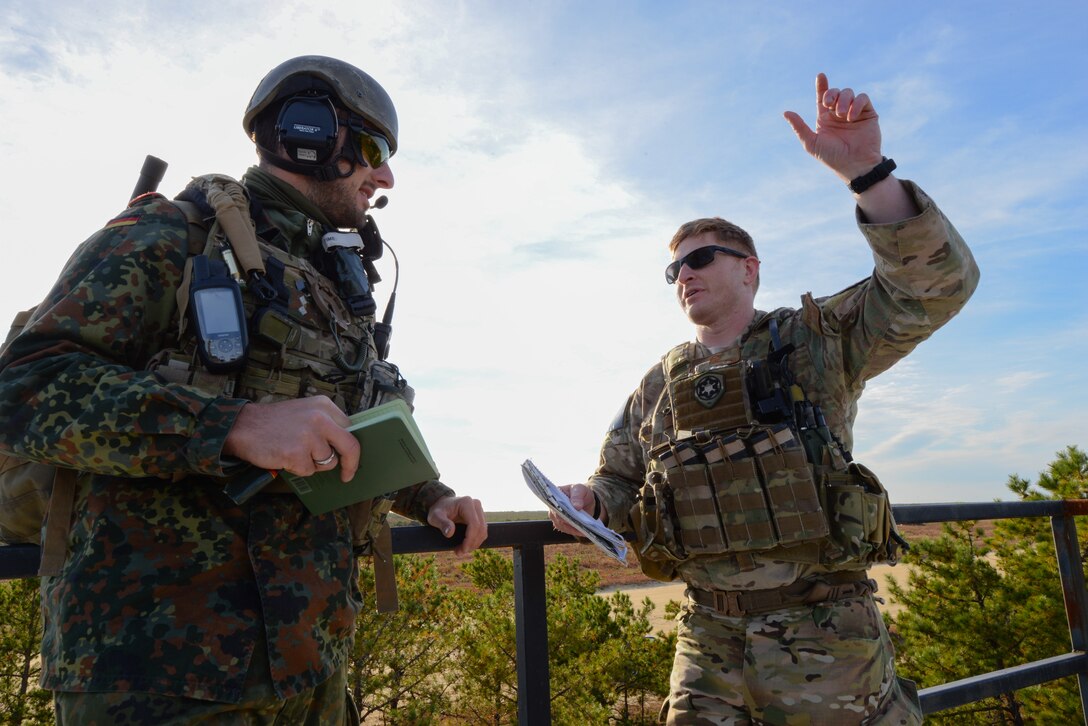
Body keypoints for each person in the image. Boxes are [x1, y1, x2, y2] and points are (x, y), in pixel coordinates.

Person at [0, 55, 487, 724]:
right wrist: (230, 425)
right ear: (307, 134)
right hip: (162, 673)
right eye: (373, 149)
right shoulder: (171, 235)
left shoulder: (330, 280)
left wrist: (429, 498)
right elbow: (22, 387)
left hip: (310, 663)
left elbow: (337, 436)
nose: (386, 176)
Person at [551, 73, 979, 724]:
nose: (683, 275)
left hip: (825, 637)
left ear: (748, 269)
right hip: (707, 641)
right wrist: (588, 503)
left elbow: (935, 289)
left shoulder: (814, 339)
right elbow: (617, 479)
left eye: (699, 258)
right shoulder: (658, 384)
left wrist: (869, 177)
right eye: (674, 270)